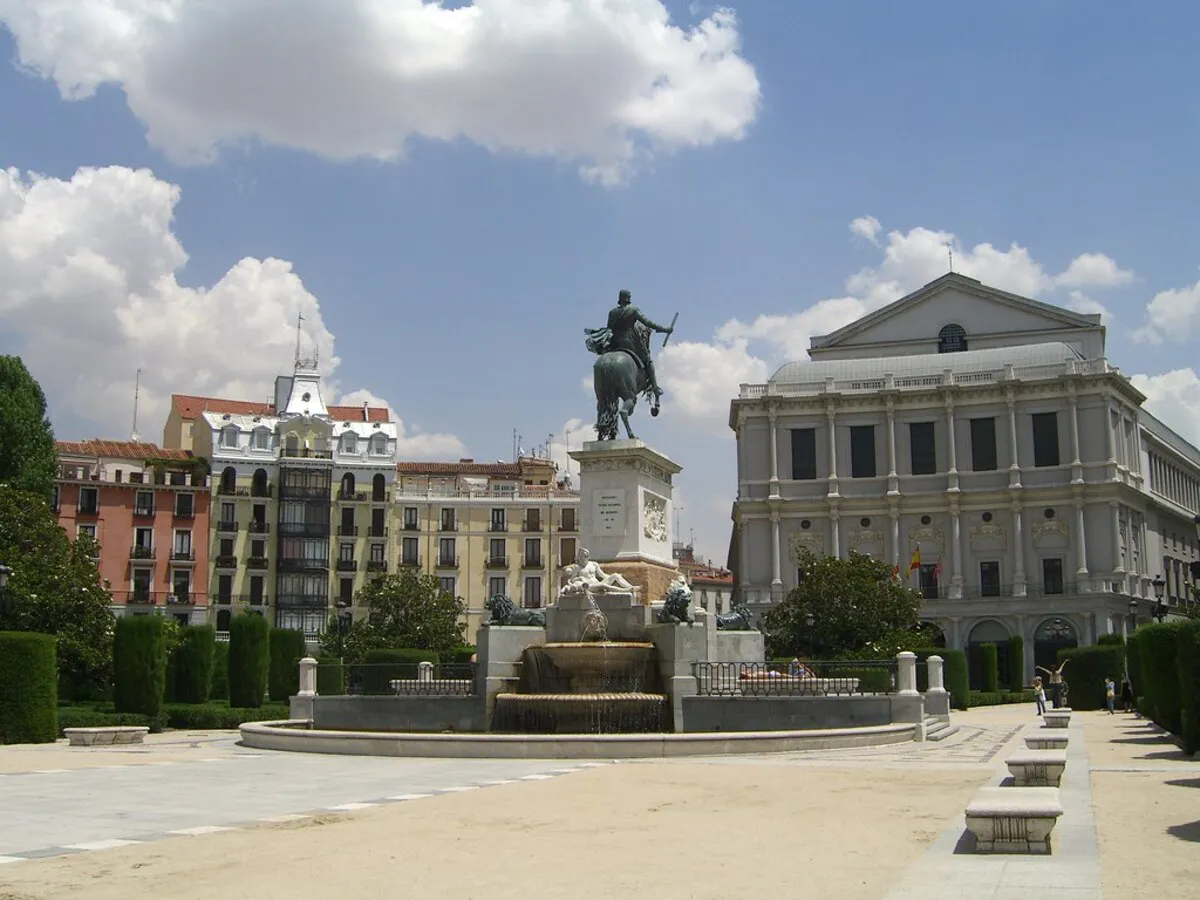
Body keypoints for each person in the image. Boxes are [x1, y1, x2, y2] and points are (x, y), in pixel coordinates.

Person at [585, 289, 673, 400]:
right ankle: (655, 387)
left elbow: (609, 330)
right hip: (631, 343)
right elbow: (648, 323)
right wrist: (664, 329)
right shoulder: (634, 310)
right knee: (648, 360)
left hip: (616, 343)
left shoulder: (612, 312)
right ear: (629, 298)